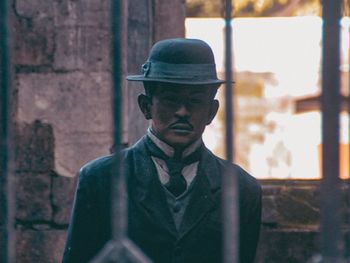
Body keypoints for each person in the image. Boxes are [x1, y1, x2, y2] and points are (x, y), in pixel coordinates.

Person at [62, 38, 262, 263]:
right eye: (170, 100)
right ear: (146, 106)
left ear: (211, 111)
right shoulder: (100, 179)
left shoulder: (242, 190)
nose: (182, 112)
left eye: (194, 102)